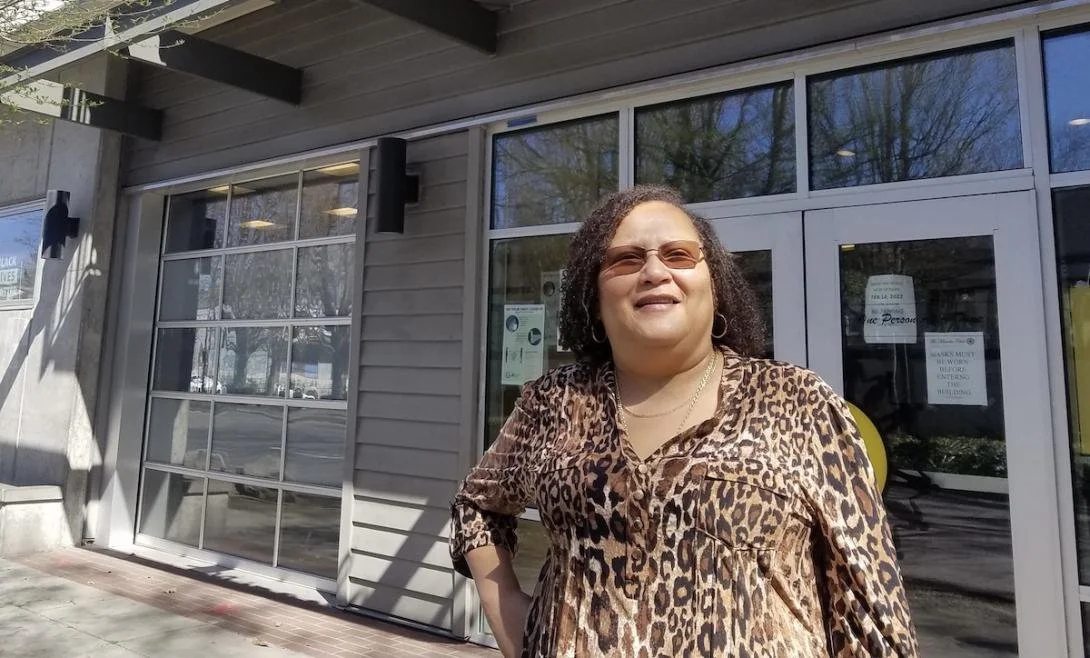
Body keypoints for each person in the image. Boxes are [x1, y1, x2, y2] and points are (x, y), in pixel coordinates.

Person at [449, 185, 918, 657]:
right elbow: (478, 505)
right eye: (627, 259)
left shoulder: (797, 401)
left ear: (716, 287)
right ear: (594, 298)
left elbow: (868, 601)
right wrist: (511, 615)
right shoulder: (553, 402)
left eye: (678, 255)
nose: (655, 271)